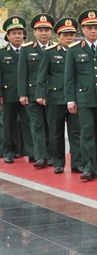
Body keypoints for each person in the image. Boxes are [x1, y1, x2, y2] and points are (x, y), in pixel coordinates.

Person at [64, 10, 97, 180]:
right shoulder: (75, 49)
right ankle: (88, 167)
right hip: (83, 98)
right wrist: (70, 99)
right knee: (87, 132)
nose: (93, 31)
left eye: (96, 27)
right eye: (89, 27)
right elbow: (69, 77)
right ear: (82, 29)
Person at [36, 17, 82, 174]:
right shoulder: (50, 53)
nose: (69, 38)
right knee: (55, 132)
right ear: (58, 36)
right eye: (65, 35)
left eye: (71, 34)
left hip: (75, 98)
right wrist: (40, 95)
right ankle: (58, 162)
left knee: (76, 132)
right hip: (55, 98)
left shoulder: (78, 51)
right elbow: (42, 76)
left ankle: (77, 163)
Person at [18, 14, 55, 169]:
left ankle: (52, 155)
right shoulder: (26, 49)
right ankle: (41, 156)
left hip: (52, 94)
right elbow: (22, 73)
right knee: (37, 125)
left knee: (51, 126)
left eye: (46, 29)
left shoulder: (55, 48)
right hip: (33, 94)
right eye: (40, 30)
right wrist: (22, 94)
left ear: (51, 32)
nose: (44, 33)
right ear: (34, 32)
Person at [1, 16, 34, 163]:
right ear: (7, 36)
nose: (17, 36)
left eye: (20, 33)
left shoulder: (29, 51)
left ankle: (32, 152)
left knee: (29, 124)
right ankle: (8, 151)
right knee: (8, 124)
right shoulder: (2, 53)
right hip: (9, 94)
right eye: (14, 33)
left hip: (27, 95)